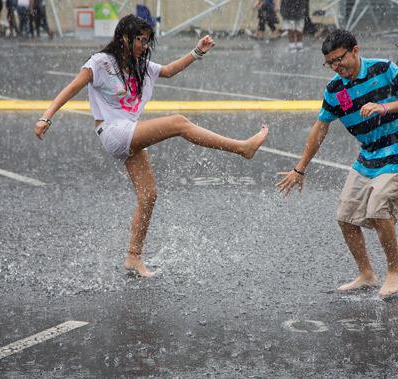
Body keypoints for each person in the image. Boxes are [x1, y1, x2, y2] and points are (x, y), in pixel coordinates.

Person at [34, 15, 269, 278]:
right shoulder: (101, 63)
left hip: (128, 132)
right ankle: (242, 148)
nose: (144, 46)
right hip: (113, 132)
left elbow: (168, 71)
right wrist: (46, 116)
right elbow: (71, 88)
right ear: (124, 37)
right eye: (140, 40)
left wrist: (197, 52)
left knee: (148, 196)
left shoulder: (140, 64)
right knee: (179, 123)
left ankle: (133, 257)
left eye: (147, 41)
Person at [276, 29, 398, 298]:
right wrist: (300, 167)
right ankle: (367, 274)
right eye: (330, 63)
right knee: (345, 217)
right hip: (367, 158)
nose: (336, 67)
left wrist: (384, 107)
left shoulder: (384, 69)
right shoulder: (335, 89)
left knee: (378, 210)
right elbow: (320, 128)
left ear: (355, 50)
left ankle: (394, 271)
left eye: (339, 59)